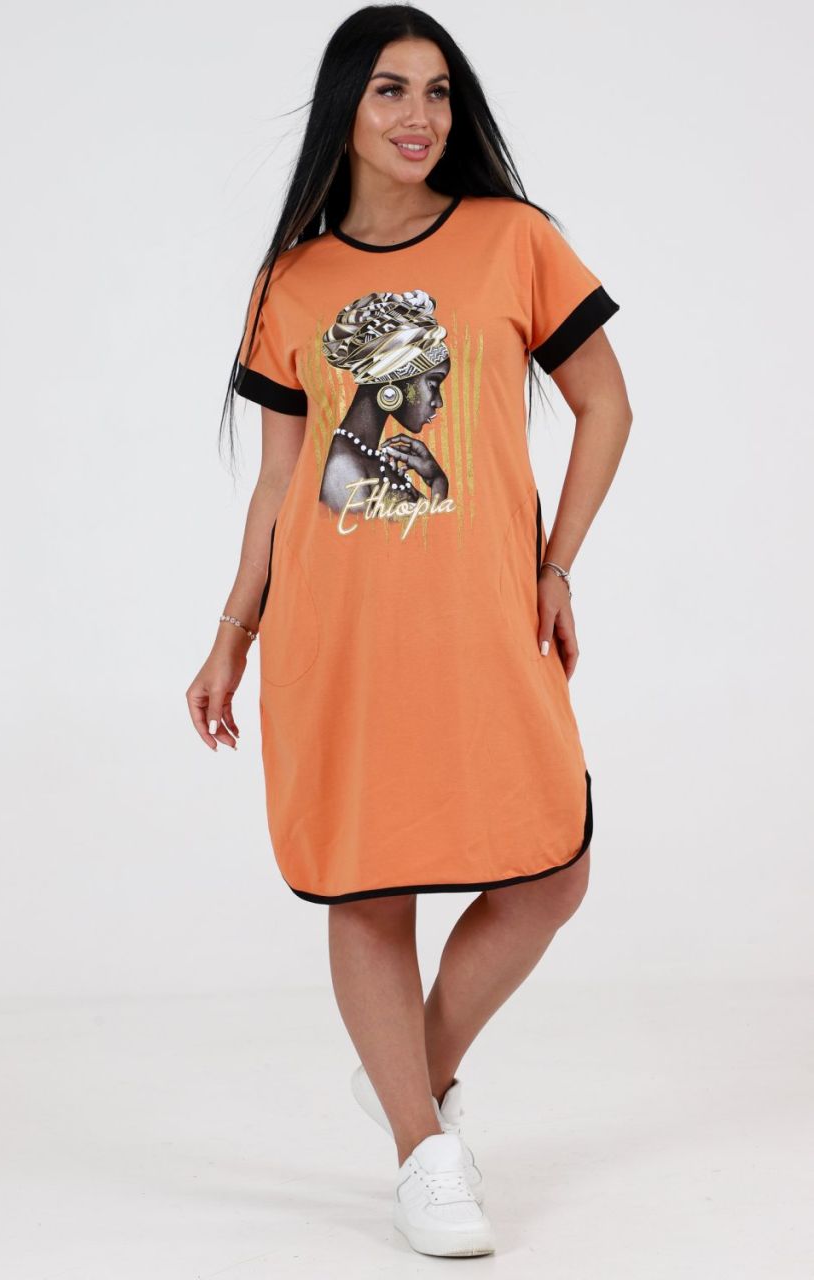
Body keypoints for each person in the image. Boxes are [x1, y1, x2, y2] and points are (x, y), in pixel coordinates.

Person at [185, 4, 632, 1259]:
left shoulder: (513, 239)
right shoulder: (292, 281)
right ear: (346, 107)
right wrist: (230, 631)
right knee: (368, 882)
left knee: (551, 869)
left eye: (437, 91)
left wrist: (556, 563)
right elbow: (280, 481)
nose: (418, 115)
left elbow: (605, 404)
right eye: (389, 90)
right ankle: (422, 1154)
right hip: (335, 632)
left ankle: (408, 1080)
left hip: (484, 622)